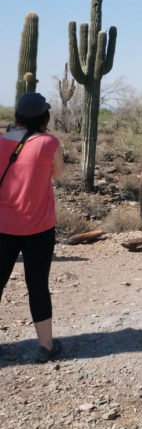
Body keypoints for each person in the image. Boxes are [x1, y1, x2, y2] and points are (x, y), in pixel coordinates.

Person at [0, 92, 65, 362]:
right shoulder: (49, 143)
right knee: (37, 284)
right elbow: (57, 173)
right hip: (39, 227)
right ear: (43, 116)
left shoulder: (1, 142)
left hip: (3, 227)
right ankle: (46, 346)